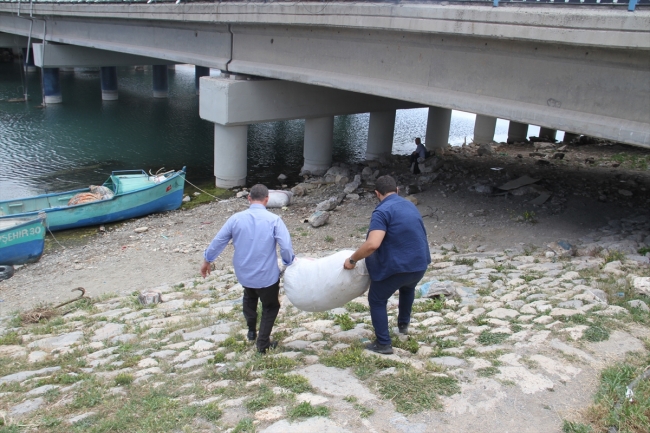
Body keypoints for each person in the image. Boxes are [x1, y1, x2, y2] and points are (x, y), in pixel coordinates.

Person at [200, 184, 295, 354]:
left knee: (249, 296)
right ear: (267, 199)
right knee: (271, 306)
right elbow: (286, 246)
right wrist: (288, 262)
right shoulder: (274, 220)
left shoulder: (235, 219)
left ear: (249, 198)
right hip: (266, 275)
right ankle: (262, 343)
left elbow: (219, 241)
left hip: (244, 273)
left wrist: (207, 260)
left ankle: (251, 330)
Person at [343, 175, 430, 354]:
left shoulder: (382, 212)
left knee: (376, 299)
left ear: (377, 194)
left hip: (398, 267)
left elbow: (372, 244)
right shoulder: (410, 205)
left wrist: (352, 260)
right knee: (407, 288)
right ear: (397, 190)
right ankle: (403, 325)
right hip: (420, 264)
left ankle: (383, 344)